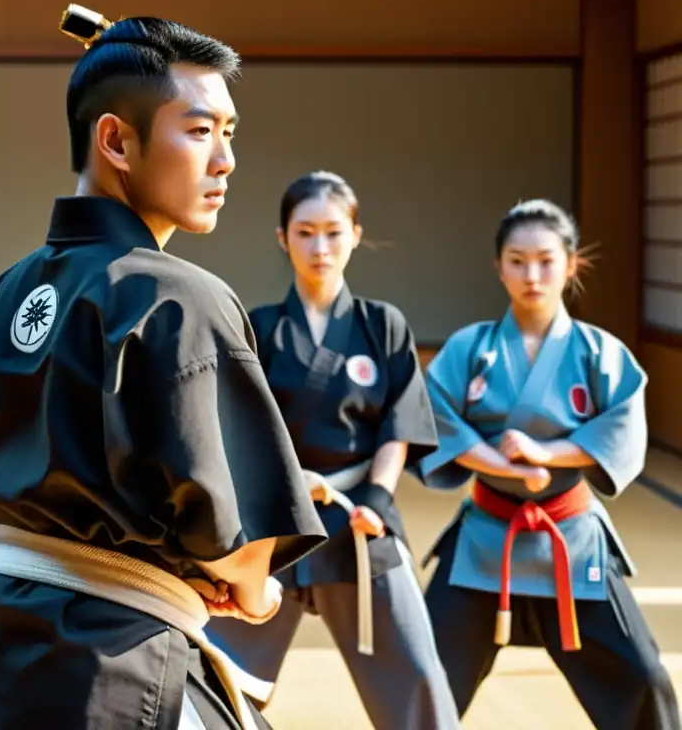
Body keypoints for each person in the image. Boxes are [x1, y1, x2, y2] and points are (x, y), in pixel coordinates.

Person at [0, 4, 329, 730]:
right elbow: (240, 541)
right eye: (200, 131)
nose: (225, 160)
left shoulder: (2, 293)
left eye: (229, 135)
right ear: (117, 142)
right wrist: (250, 589)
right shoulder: (181, 298)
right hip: (114, 666)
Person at [203, 171, 460, 729]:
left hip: (358, 521)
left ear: (355, 234)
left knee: (416, 678)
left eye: (334, 233)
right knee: (210, 670)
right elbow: (237, 429)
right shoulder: (260, 328)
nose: (320, 248)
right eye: (306, 233)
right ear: (283, 238)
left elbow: (401, 423)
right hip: (277, 525)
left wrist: (375, 497)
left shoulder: (382, 326)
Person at [417, 199, 681, 729]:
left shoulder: (598, 352)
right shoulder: (472, 348)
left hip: (572, 538)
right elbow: (434, 417)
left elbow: (622, 428)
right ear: (499, 267)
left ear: (571, 263)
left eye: (545, 260)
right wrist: (502, 463)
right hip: (485, 540)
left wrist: (546, 455)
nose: (532, 275)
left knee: (645, 679)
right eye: (517, 261)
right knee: (423, 679)